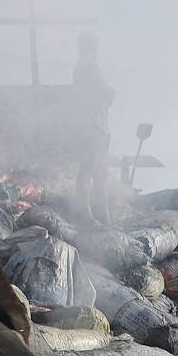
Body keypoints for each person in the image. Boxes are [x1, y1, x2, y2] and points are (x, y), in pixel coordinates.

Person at [72, 31, 114, 224]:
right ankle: (87, 216)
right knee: (89, 173)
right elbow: (106, 92)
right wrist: (110, 92)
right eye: (93, 46)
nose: (96, 50)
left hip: (99, 127)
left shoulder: (84, 68)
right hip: (93, 126)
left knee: (99, 175)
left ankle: (103, 217)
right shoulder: (88, 68)